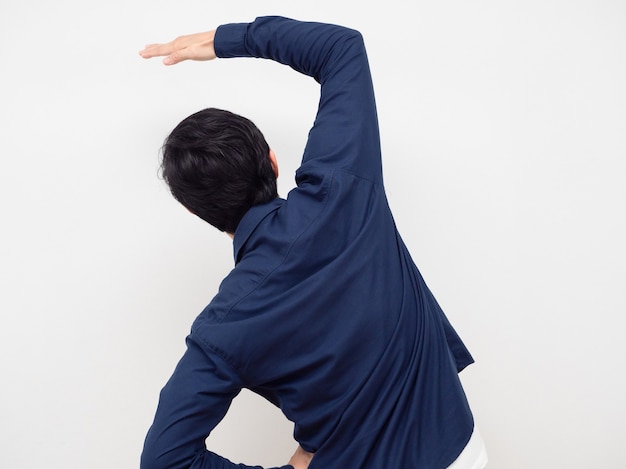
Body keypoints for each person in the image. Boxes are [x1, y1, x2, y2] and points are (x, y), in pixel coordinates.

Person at [139, 16, 487, 469]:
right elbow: (341, 48)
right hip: (460, 451)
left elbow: (164, 461)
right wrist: (224, 40)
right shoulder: (341, 188)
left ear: (193, 211)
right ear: (273, 161)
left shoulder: (223, 324)